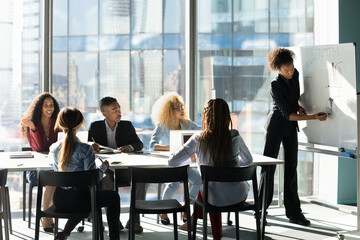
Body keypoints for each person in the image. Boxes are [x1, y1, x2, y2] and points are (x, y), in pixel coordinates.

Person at [259, 47, 327, 226]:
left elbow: (292, 100)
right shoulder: (275, 85)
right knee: (269, 169)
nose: (290, 72)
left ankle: (294, 212)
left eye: (291, 68)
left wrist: (298, 106)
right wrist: (312, 117)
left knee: (291, 168)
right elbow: (286, 114)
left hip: (290, 127)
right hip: (275, 127)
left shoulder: (295, 74)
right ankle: (261, 211)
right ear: (278, 69)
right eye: (286, 70)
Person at [168, 98, 253, 240]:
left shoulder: (198, 138)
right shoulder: (235, 136)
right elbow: (248, 161)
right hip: (239, 196)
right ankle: (196, 222)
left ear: (206, 116)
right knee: (210, 187)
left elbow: (172, 162)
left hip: (213, 199)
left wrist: (193, 156)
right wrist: (231, 158)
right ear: (227, 117)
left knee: (209, 189)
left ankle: (207, 230)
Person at [49, 107, 120, 240]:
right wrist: (103, 167)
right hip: (80, 200)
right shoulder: (86, 149)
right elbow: (93, 180)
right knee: (112, 196)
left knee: (84, 198)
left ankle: (65, 232)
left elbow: (57, 173)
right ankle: (114, 238)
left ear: (60, 124)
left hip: (59, 200)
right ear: (80, 124)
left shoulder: (54, 148)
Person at [88, 96, 144, 233]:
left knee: (140, 178)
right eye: (114, 110)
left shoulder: (127, 125)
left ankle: (134, 221)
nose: (119, 112)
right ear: (104, 113)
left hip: (124, 169)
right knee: (106, 179)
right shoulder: (95, 127)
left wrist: (129, 147)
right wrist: (92, 146)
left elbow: (139, 144)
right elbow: (87, 147)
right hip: (105, 168)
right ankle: (114, 220)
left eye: (119, 108)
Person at [149, 93, 202, 225]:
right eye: (177, 108)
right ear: (169, 111)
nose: (182, 110)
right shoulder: (162, 125)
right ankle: (164, 211)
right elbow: (152, 146)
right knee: (174, 184)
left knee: (198, 180)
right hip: (169, 165)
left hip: (184, 164)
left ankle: (186, 207)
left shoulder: (187, 124)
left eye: (182, 107)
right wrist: (172, 147)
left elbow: (202, 132)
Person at [20, 92, 60, 232]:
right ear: (39, 108)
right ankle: (46, 215)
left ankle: (46, 214)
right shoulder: (34, 123)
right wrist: (34, 128)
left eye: (51, 105)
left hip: (54, 165)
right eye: (45, 105)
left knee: (55, 176)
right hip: (36, 169)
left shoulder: (57, 122)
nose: (49, 108)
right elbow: (39, 147)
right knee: (52, 178)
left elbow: (61, 143)